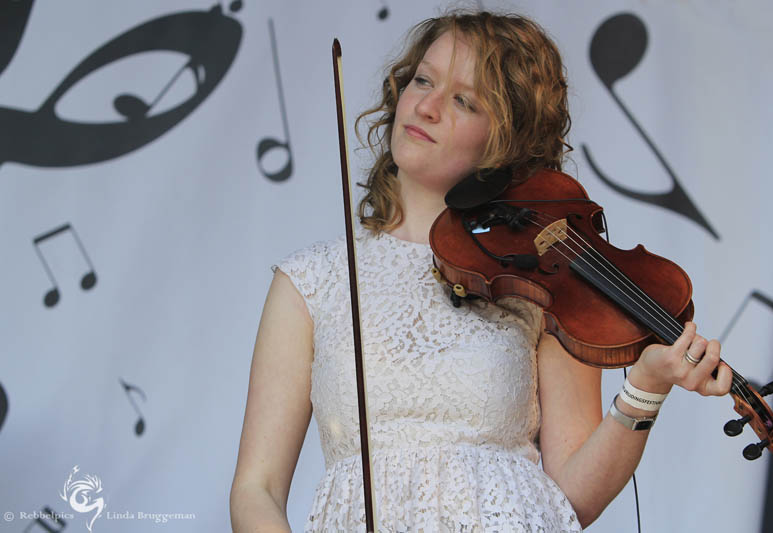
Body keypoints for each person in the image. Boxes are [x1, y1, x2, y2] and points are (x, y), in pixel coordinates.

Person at [229, 10, 732, 532]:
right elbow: (256, 489)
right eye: (422, 80)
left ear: (506, 141)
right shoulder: (311, 281)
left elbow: (572, 500)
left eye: (464, 101)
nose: (425, 106)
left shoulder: (542, 280)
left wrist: (644, 389)